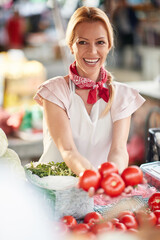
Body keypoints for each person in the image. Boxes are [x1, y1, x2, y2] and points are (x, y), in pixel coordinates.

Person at [34, 6, 145, 177]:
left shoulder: (122, 96)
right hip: (55, 190)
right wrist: (93, 179)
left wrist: (111, 177)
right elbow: (68, 150)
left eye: (100, 42)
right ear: (71, 46)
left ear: (109, 46)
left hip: (100, 194)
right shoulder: (55, 92)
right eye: (83, 42)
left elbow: (119, 150)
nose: (92, 51)